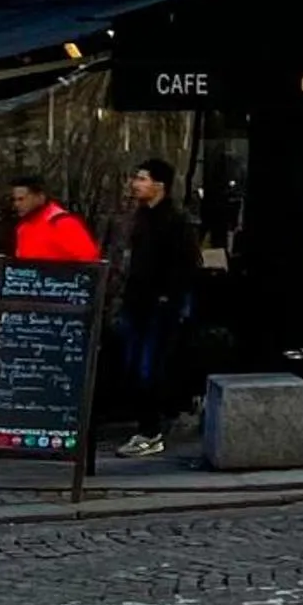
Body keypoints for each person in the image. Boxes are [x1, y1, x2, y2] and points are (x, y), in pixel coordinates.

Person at [113, 157, 201, 459]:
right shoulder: (142, 218)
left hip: (156, 306)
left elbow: (185, 265)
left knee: (147, 368)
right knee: (134, 367)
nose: (136, 184)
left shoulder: (175, 222)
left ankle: (151, 432)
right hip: (138, 303)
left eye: (142, 178)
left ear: (159, 185)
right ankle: (148, 427)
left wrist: (168, 299)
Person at [9, 174, 100, 263]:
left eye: (21, 199)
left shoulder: (63, 223)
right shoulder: (23, 227)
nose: (16, 204)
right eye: (14, 200)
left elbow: (90, 262)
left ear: (40, 197)